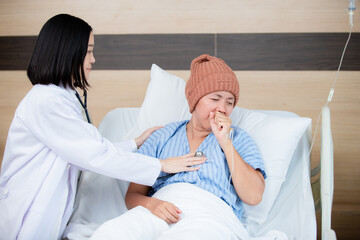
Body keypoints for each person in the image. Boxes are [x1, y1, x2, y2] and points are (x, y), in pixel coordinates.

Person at [0, 14, 205, 240]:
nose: (93, 59)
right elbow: (94, 155)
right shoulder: (47, 102)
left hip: (45, 212)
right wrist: (161, 165)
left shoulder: (61, 97)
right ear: (68, 51)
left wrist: (135, 143)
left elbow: (87, 148)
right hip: (26, 212)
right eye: (88, 51)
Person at [90, 54, 266, 240]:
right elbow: (132, 195)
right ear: (195, 99)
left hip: (209, 216)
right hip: (159, 210)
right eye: (215, 99)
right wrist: (153, 205)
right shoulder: (162, 136)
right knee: (112, 232)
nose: (222, 108)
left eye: (229, 102)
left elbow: (254, 196)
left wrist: (225, 142)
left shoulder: (238, 138)